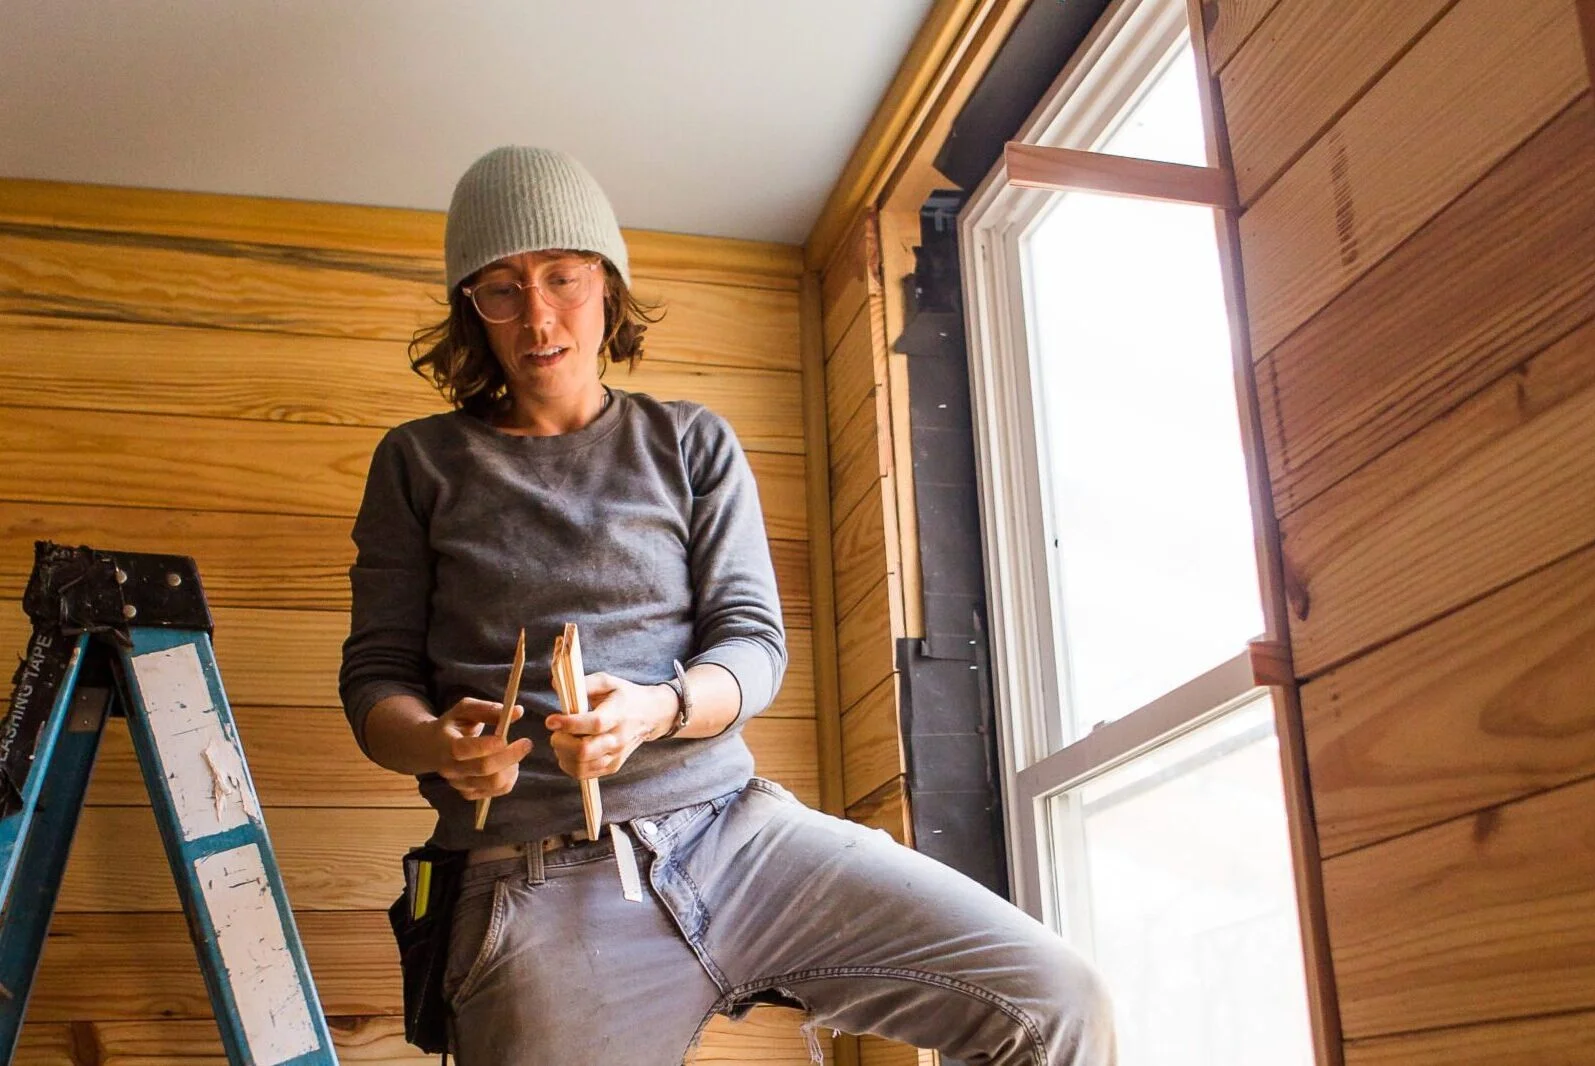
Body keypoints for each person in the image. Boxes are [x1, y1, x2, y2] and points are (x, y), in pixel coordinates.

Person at [339, 145, 1115, 1066]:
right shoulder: (418, 461)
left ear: (608, 285)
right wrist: (437, 744)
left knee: (1058, 1002)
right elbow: (375, 680)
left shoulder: (689, 441)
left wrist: (657, 709)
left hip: (736, 833)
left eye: (563, 276)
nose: (538, 314)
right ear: (472, 309)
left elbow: (751, 646)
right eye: (501, 288)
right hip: (532, 869)